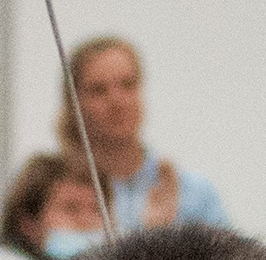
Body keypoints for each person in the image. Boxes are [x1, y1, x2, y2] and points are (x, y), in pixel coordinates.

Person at [57, 37, 226, 232]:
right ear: (72, 103)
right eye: (98, 90)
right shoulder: (57, 195)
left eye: (128, 85)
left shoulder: (193, 193)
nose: (117, 101)